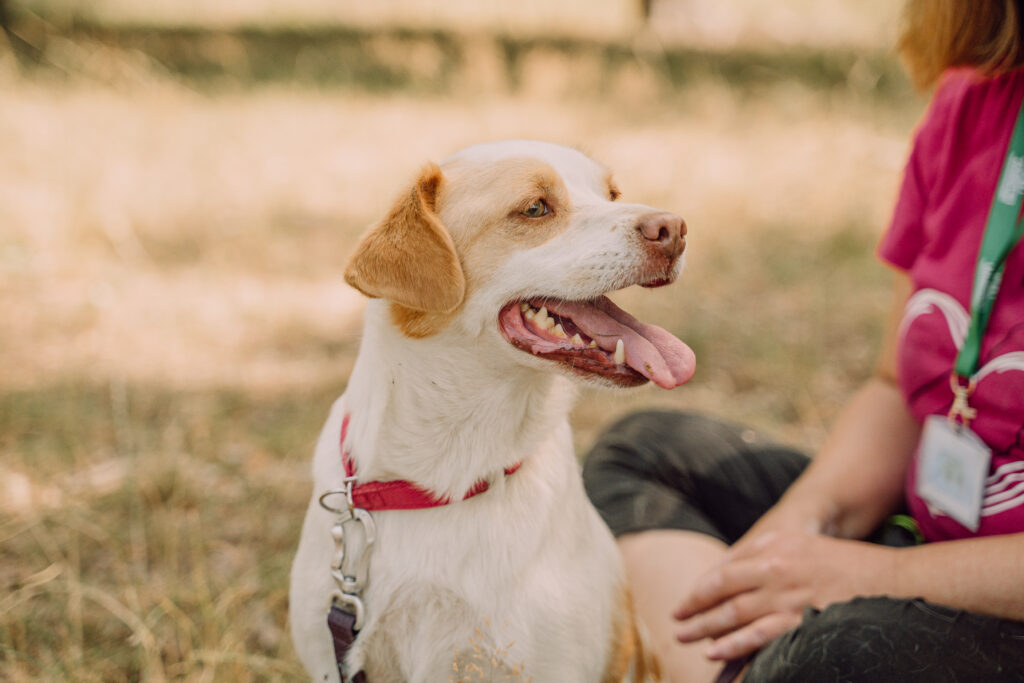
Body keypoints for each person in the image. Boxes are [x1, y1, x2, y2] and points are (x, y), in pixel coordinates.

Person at [582, 1, 1024, 681]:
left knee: (838, 650)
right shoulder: (969, 103)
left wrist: (865, 575)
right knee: (641, 453)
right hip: (925, 530)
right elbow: (895, 389)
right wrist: (794, 539)